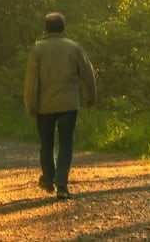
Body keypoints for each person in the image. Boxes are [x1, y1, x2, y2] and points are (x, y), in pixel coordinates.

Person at [23, 12, 97, 200]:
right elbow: (88, 73)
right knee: (66, 144)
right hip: (68, 104)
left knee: (46, 144)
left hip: (44, 106)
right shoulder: (73, 47)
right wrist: (91, 95)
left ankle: (48, 179)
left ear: (46, 28)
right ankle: (62, 185)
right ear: (64, 27)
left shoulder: (38, 49)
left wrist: (30, 104)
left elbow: (31, 81)